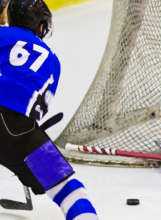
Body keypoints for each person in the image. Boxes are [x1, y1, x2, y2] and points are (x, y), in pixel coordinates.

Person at [0, 0, 98, 219]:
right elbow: (35, 107)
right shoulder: (53, 61)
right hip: (21, 132)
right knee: (68, 188)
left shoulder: (2, 35)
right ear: (42, 26)